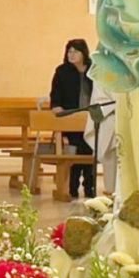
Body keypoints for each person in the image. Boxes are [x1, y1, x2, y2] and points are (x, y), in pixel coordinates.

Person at [48, 37, 96, 198]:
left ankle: (90, 188)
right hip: (71, 117)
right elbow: (55, 93)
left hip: (91, 118)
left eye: (75, 51)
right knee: (75, 151)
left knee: (89, 151)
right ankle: (73, 188)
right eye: (69, 51)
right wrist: (56, 106)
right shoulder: (62, 71)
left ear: (84, 53)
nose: (71, 54)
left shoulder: (93, 70)